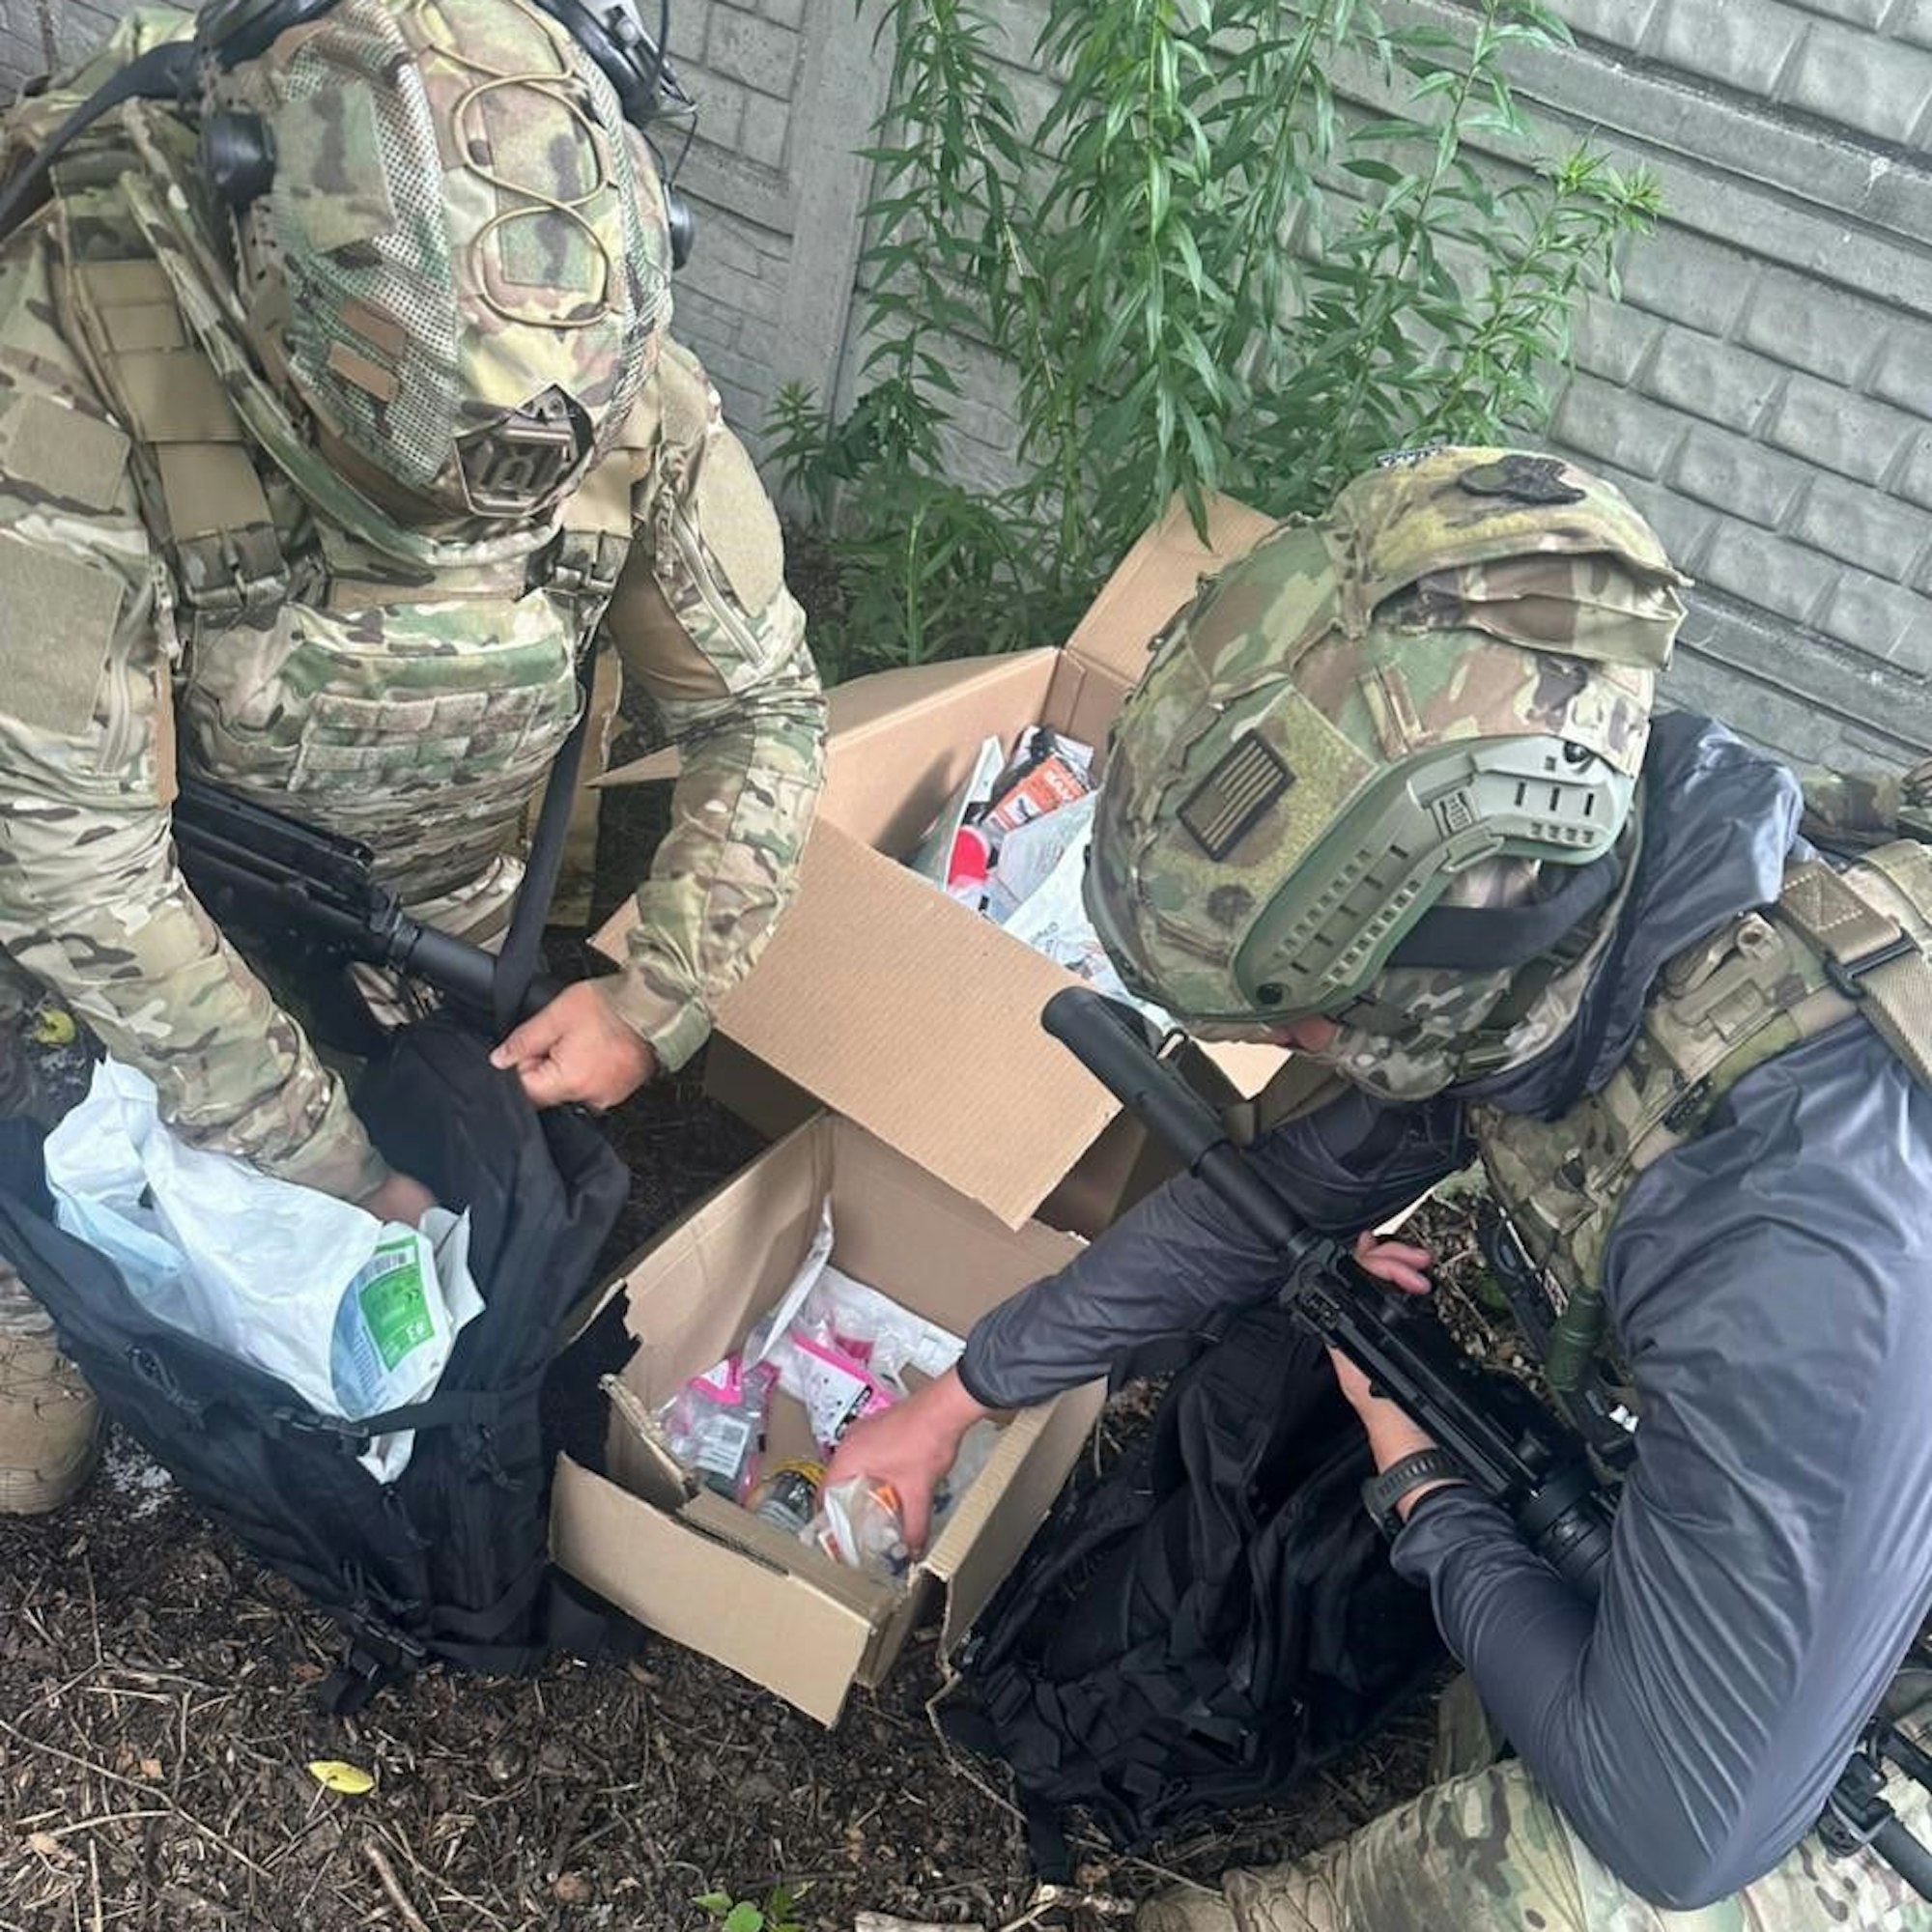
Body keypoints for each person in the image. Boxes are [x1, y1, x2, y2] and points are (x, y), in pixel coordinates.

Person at [828, 447, 1932, 1927]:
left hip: (1832, 1641)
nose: (1294, 1053)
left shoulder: (1792, 1246)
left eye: (1298, 1022)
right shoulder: (1622, 896)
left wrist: (1423, 1482)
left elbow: (1682, 1829)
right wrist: (963, 1392)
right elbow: (1273, 1196)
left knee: (1553, 1885)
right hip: (1847, 1481)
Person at [0, 0, 826, 1515]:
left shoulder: (606, 372)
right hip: (115, 912)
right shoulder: (85, 338)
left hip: (417, 910)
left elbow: (760, 712)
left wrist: (656, 994)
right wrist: (331, 1168)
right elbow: (69, 858)